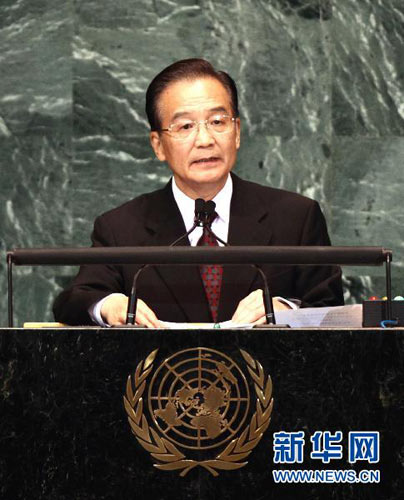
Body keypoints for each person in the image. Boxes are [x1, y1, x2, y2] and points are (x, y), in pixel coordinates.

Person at [53, 58, 343, 327]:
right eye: (185, 126)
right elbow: (75, 301)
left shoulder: (295, 217)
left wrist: (287, 311)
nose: (205, 140)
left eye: (217, 122)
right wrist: (109, 305)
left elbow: (332, 312)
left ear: (237, 132)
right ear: (158, 145)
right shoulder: (120, 228)